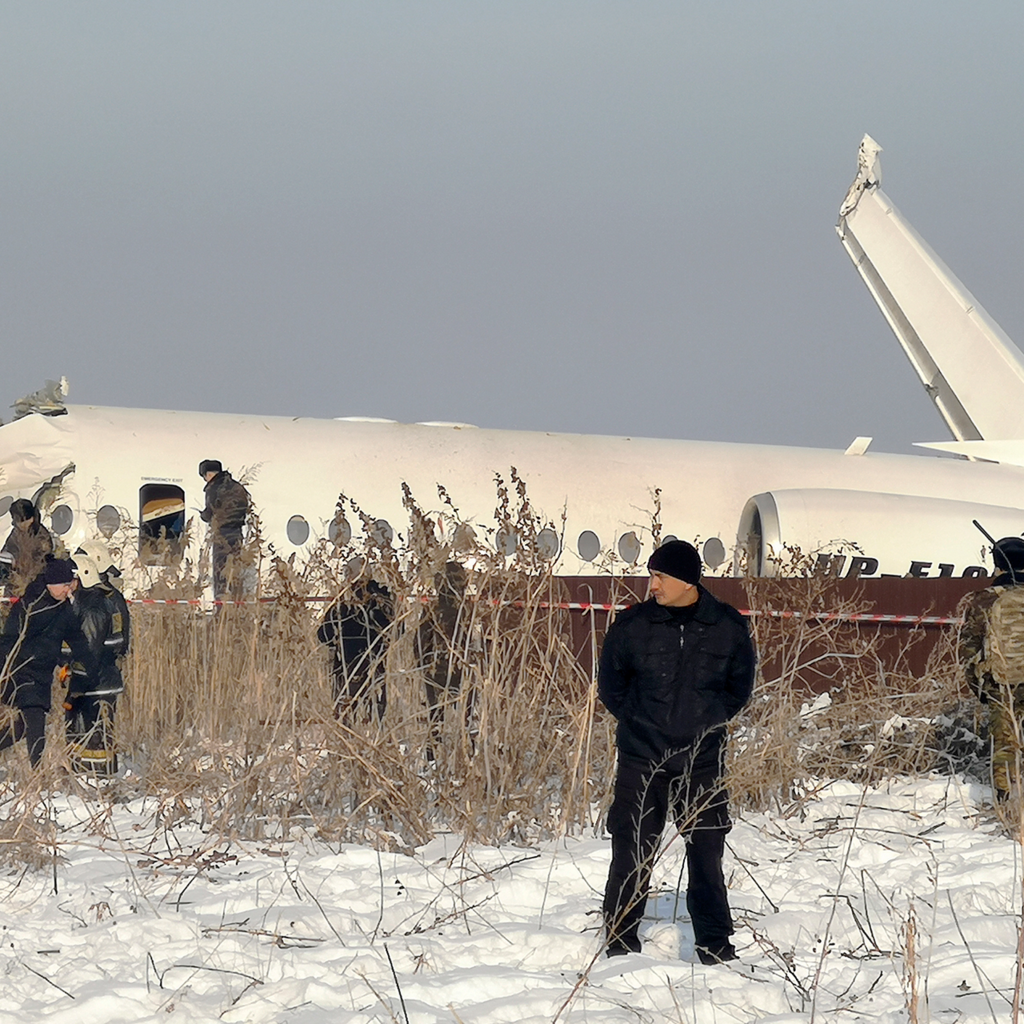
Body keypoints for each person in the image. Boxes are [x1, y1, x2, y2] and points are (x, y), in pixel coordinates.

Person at [598, 540, 755, 962]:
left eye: (660, 576)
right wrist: (639, 723)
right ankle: (619, 942)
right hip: (641, 758)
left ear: (687, 581)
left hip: (702, 761)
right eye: (652, 576)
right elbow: (611, 687)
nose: (652, 585)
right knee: (631, 850)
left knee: (706, 853)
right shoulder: (632, 625)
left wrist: (708, 722)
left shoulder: (726, 626)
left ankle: (715, 947)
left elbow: (739, 688)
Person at [0, 558, 95, 768]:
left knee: (24, 726)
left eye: (70, 585)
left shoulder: (64, 607)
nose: (68, 590)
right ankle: (38, 773)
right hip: (22, 671)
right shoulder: (30, 605)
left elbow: (74, 638)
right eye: (64, 586)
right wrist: (5, 669)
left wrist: (87, 662)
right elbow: (9, 640)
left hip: (42, 674)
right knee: (35, 721)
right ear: (52, 584)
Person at [960, 536, 1024, 801]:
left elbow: (967, 651)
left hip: (1001, 682)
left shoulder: (981, 601)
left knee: (1005, 744)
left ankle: (1005, 801)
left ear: (997, 565)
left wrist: (981, 689)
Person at [65, 542, 130, 774]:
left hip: (94, 682)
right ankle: (96, 777)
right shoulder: (106, 598)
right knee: (95, 736)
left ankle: (94, 782)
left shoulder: (94, 605)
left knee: (92, 738)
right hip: (102, 679)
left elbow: (89, 649)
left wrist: (77, 682)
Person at [317, 566, 393, 723]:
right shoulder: (385, 599)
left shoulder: (344, 602)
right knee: (379, 718)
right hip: (378, 666)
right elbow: (399, 630)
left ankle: (348, 743)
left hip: (347, 667)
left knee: (346, 717)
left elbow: (324, 635)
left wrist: (337, 639)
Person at [415, 561, 473, 760]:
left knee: (436, 717)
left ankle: (432, 757)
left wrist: (423, 666)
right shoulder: (467, 610)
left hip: (435, 670)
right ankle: (468, 755)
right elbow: (476, 642)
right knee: (468, 717)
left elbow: (420, 641)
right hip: (462, 671)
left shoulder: (432, 609)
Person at [198, 460, 251, 599]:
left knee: (220, 572)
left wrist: (204, 516)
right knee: (235, 570)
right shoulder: (237, 487)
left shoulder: (214, 488)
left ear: (209, 474)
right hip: (237, 534)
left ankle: (220, 606)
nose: (205, 480)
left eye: (204, 476)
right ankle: (236, 603)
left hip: (221, 535)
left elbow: (210, 512)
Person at [0, 499, 54, 595]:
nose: (19, 524)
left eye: (21, 521)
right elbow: (9, 549)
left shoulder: (41, 536)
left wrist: (24, 576)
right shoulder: (16, 532)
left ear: (31, 519)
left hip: (33, 582)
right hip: (15, 576)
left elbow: (42, 562)